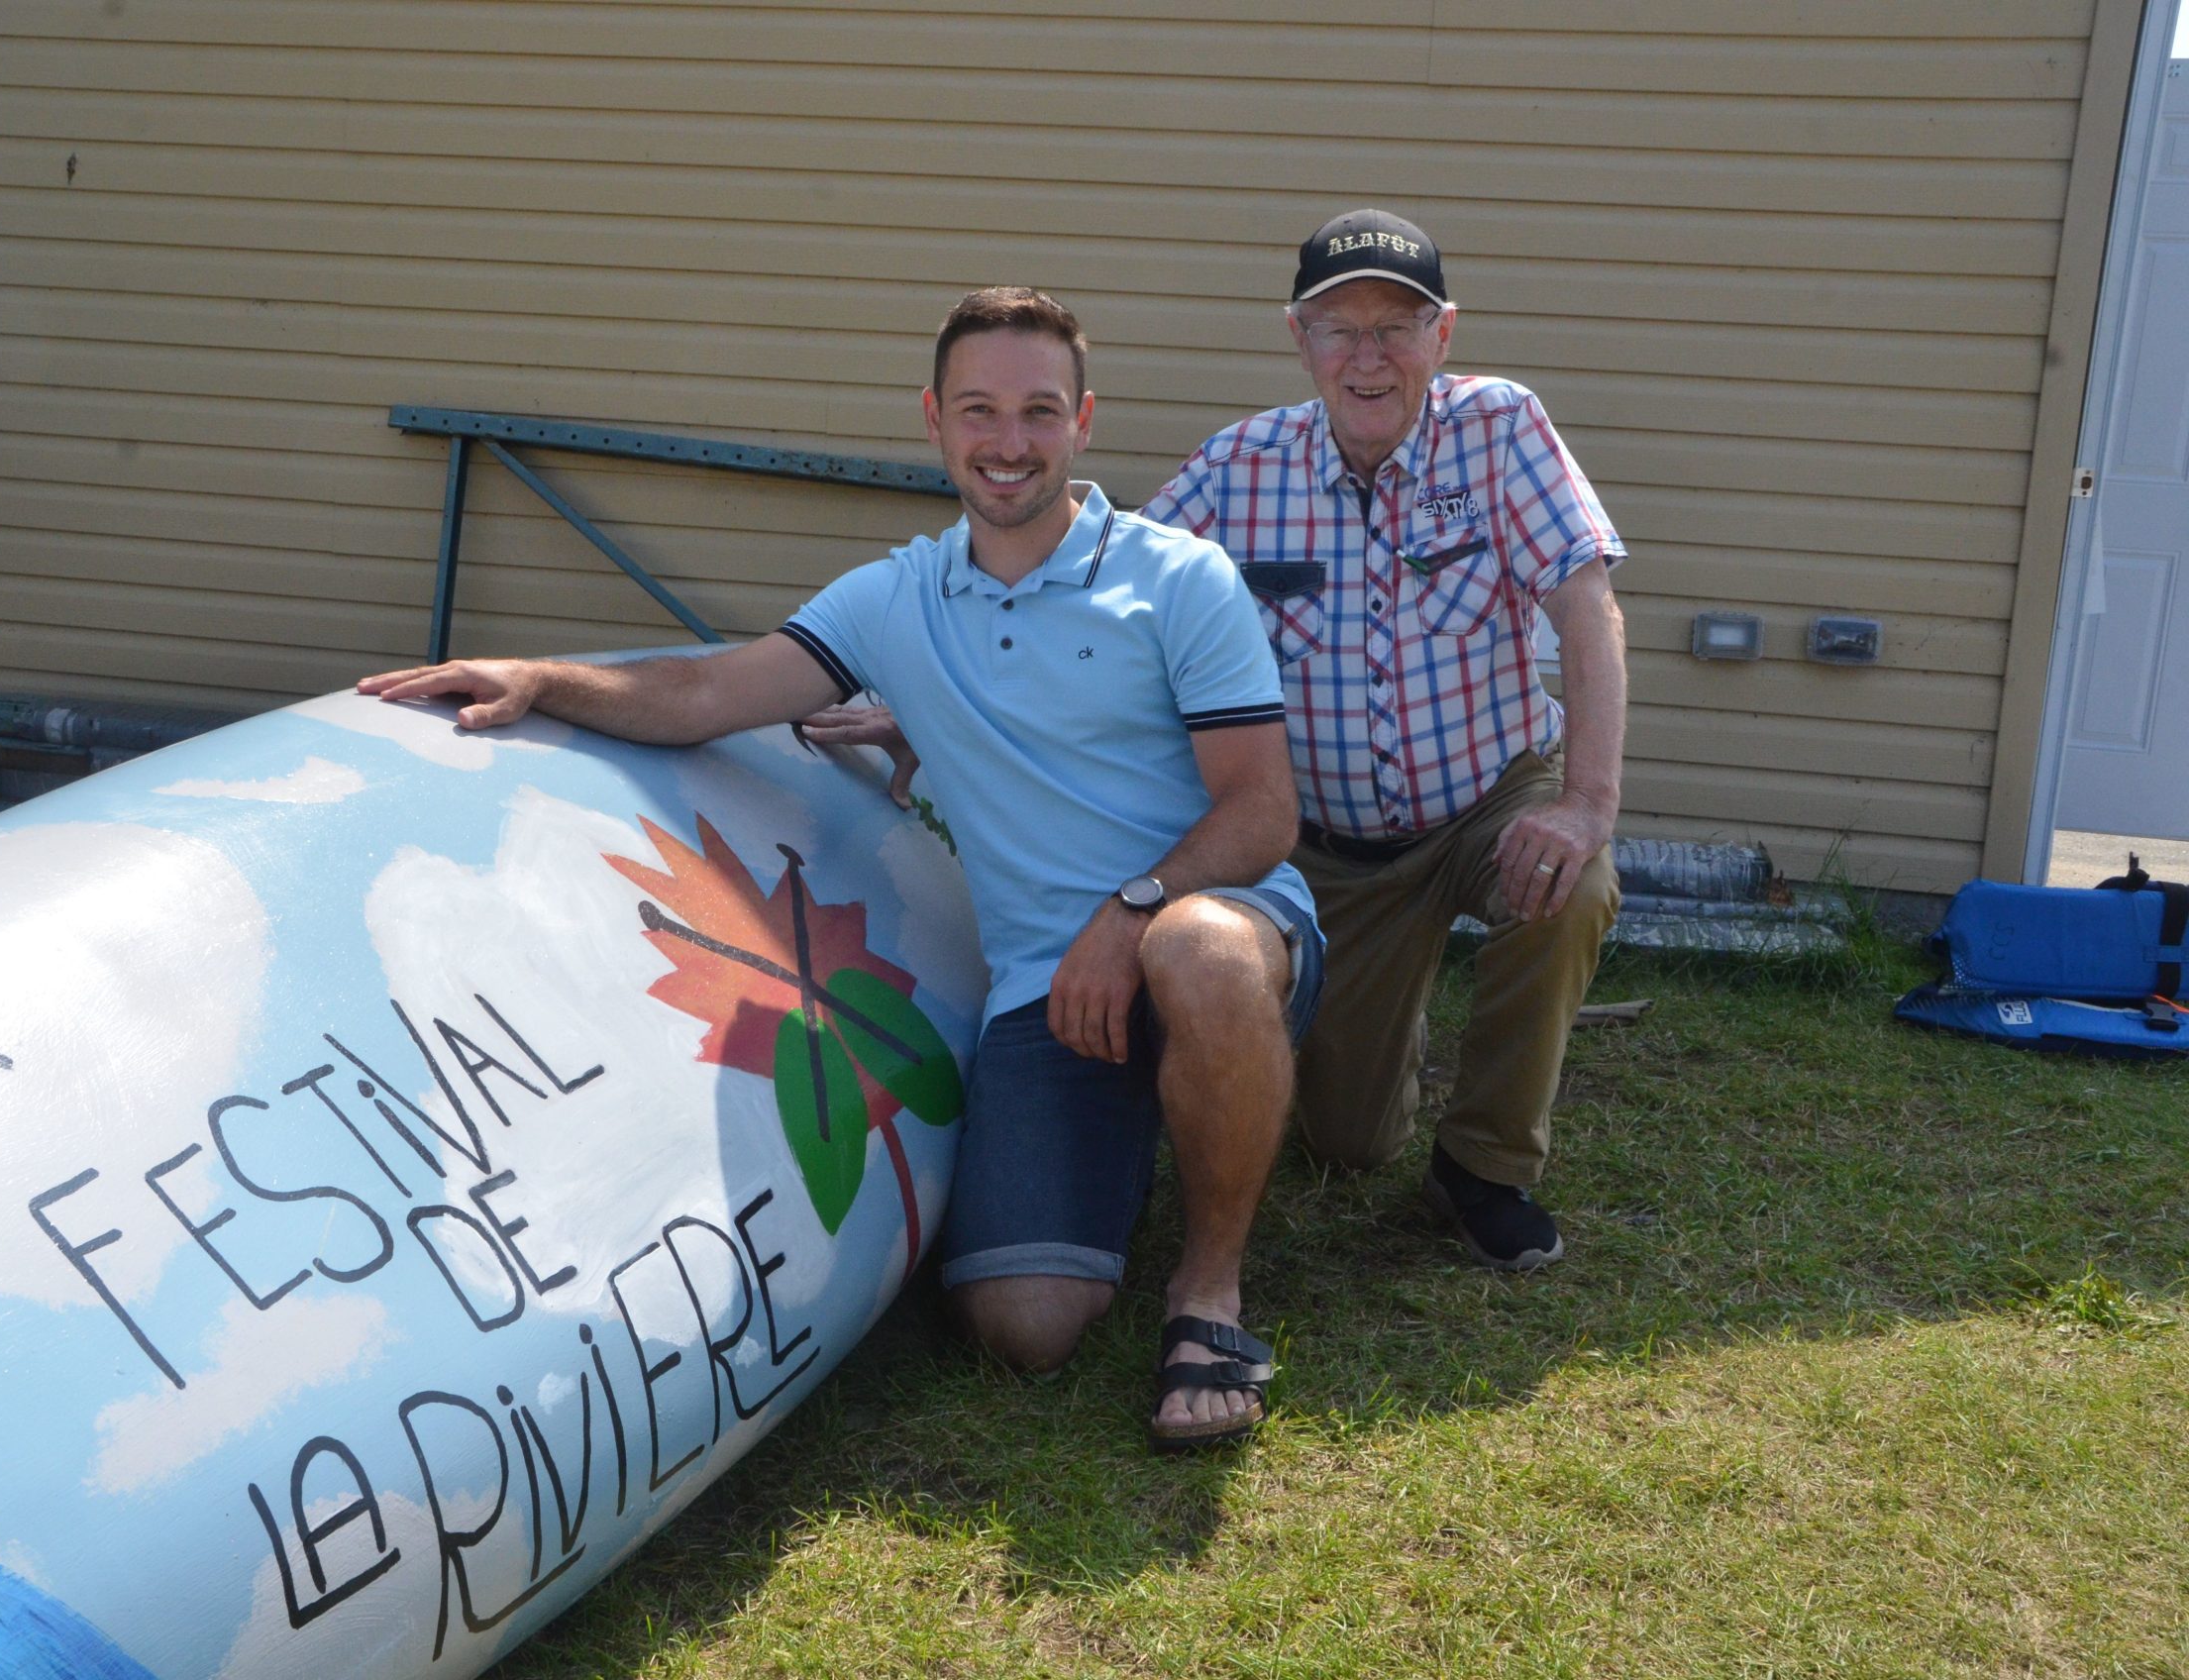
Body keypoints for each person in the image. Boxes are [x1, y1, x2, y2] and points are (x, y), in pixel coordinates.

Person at [361, 288, 1324, 1451]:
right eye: (978, 409)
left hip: (1208, 920)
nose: (1007, 440)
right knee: (1022, 1324)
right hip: (1040, 977)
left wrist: (1129, 914)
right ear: (933, 418)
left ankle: (1207, 1292)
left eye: (1037, 411)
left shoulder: (1178, 580)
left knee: (1197, 954)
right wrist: (539, 678)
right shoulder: (892, 600)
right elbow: (705, 692)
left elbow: (1262, 811)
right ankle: (1153, 1120)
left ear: (1082, 422)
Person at [1141, 208, 1628, 1272]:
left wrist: (1584, 803)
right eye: (1341, 329)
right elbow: (1113, 606)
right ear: (1299, 340)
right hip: (1329, 847)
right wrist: (925, 700)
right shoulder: (1238, 465)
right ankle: (1387, 1030)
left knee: (1571, 881)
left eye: (1396, 327)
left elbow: (1586, 605)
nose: (1369, 358)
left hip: (1489, 794)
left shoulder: (1501, 427)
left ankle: (1484, 1166)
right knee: (1348, 1144)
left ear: (1441, 335)